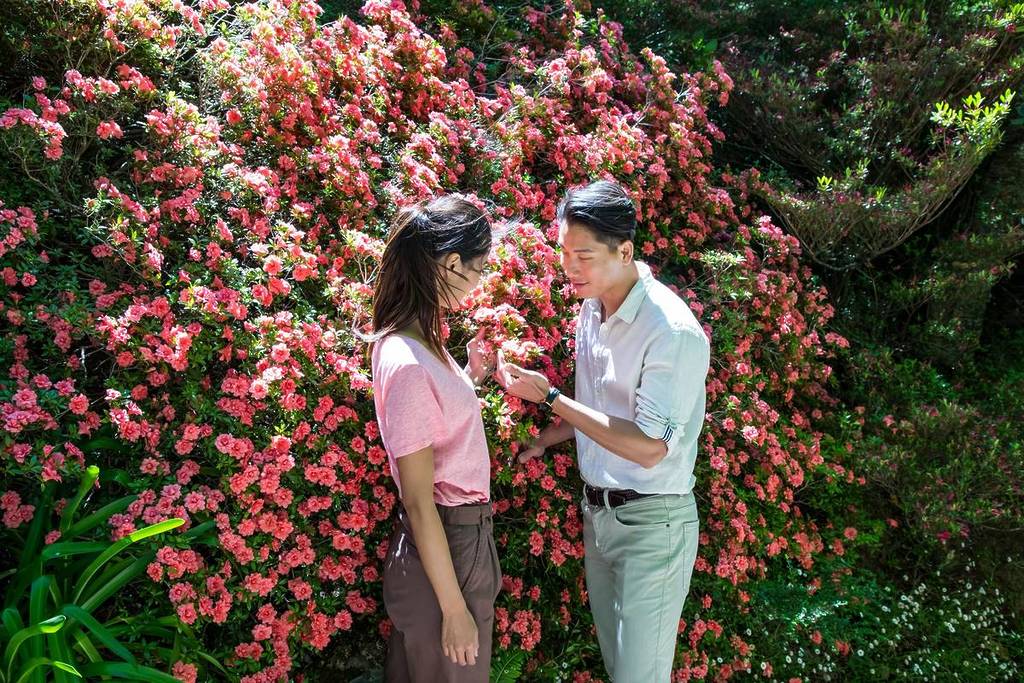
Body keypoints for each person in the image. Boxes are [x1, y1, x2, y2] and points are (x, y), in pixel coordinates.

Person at [498, 180, 710, 682]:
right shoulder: (591, 310)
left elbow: (649, 448)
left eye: (584, 255)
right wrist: (547, 437)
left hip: (652, 526)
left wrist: (550, 397)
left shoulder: (670, 331)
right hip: (599, 516)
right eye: (565, 253)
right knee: (621, 670)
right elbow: (599, 409)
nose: (569, 267)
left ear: (626, 251)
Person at [369, 195, 501, 683]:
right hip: (447, 546)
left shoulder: (424, 343)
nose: (480, 281)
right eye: (479, 269)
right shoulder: (406, 359)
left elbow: (435, 427)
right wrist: (454, 609)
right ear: (451, 264)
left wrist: (469, 378)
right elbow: (420, 501)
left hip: (454, 546)